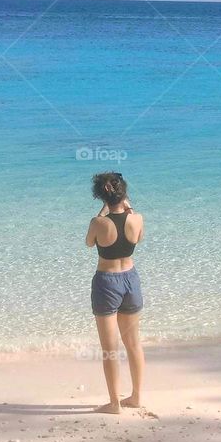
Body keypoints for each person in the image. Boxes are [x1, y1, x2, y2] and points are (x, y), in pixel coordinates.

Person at [85, 172, 145, 412]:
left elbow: (89, 243)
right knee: (134, 344)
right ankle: (136, 397)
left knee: (110, 350)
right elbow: (138, 239)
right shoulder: (137, 218)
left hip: (107, 282)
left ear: (101, 196)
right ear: (125, 194)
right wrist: (129, 209)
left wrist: (102, 214)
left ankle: (114, 403)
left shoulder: (98, 223)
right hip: (131, 279)